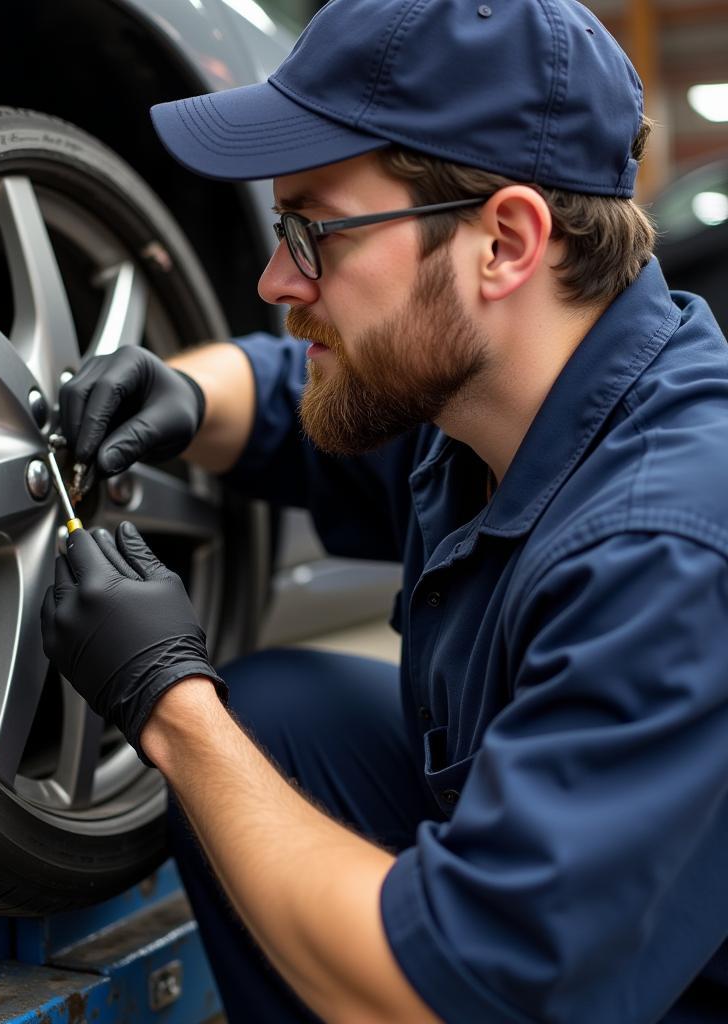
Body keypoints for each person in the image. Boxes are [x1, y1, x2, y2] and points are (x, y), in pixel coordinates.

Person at [40, 0, 728, 1019]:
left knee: (223, 733)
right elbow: (294, 399)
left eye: (314, 231)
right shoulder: (503, 395)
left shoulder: (668, 550)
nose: (277, 279)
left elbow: (461, 993)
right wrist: (186, 391)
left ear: (504, 241)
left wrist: (169, 707)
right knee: (276, 722)